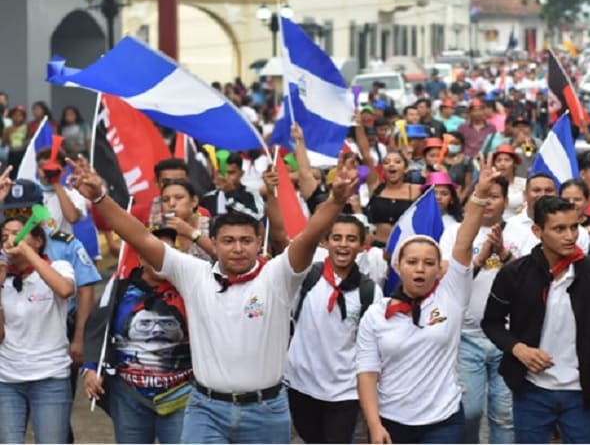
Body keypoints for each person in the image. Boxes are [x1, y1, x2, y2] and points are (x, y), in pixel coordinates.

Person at [69, 154, 360, 443]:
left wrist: (335, 201)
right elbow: (141, 238)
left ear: (259, 243)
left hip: (266, 411)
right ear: (214, 243)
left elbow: (309, 237)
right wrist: (99, 198)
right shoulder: (193, 274)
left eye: (246, 241)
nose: (237, 249)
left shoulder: (277, 276)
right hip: (205, 410)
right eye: (228, 241)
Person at [355, 155, 490, 444]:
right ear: (398, 267)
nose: (420, 269)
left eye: (429, 263)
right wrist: (374, 425)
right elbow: (367, 373)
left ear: (439, 269)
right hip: (392, 424)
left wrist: (479, 195)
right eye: (412, 262)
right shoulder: (376, 314)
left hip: (443, 423)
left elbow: (464, 242)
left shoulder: (451, 295)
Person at [482, 196, 590, 443]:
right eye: (559, 229)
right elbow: (491, 323)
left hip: (582, 392)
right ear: (538, 231)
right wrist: (519, 349)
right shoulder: (514, 274)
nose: (569, 235)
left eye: (573, 227)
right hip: (531, 391)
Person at [82, 228, 192, 444]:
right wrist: (91, 368)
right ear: (141, 257)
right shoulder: (119, 287)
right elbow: (97, 327)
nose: (163, 258)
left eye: (169, 252)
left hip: (182, 393)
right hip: (129, 395)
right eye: (156, 251)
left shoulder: (190, 286)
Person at [285, 215, 382, 444]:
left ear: (361, 245)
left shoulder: (369, 291)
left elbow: (372, 342)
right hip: (301, 383)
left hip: (345, 389)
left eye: (351, 239)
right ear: (325, 242)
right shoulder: (306, 277)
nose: (343, 244)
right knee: (311, 438)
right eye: (336, 238)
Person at [439, 175, 516, 444]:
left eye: (495, 196)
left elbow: (529, 280)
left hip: (507, 338)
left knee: (505, 415)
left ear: (506, 201)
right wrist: (480, 259)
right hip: (465, 337)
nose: (489, 202)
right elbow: (447, 279)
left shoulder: (519, 231)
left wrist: (504, 255)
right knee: (469, 411)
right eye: (484, 195)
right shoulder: (454, 233)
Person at [0, 215, 76, 444]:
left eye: (18, 234)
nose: (11, 240)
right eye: (4, 236)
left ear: (37, 241)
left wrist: (28, 255)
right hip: (7, 380)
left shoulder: (59, 267)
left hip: (50, 377)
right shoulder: (3, 278)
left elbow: (65, 290)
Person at [364, 150, 419, 248]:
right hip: (377, 247)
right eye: (386, 162)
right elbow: (366, 156)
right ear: (383, 169)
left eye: (397, 162)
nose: (391, 165)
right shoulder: (375, 187)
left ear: (406, 168)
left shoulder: (417, 190)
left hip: (405, 247)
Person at [159, 179, 216, 261]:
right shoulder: (158, 232)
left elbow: (220, 256)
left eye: (178, 198)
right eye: (165, 200)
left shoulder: (211, 225)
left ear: (194, 201)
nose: (171, 204)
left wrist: (189, 231)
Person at [505, 173, 558, 257]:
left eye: (548, 191)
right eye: (537, 190)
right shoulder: (507, 226)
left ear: (557, 194)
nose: (542, 195)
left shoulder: (572, 230)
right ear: (525, 194)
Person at [491, 144, 526, 219]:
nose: (502, 164)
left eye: (507, 160)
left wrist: (526, 209)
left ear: (514, 163)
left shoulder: (525, 183)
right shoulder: (489, 184)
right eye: (499, 160)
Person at [559, 179, 590, 251]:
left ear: (587, 201)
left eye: (577, 199)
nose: (571, 203)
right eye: (566, 200)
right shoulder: (550, 227)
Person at [3, 105, 28, 177]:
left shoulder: (26, 127)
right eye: (15, 115)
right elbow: (4, 143)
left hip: (22, 152)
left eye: (20, 115)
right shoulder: (8, 128)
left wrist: (25, 143)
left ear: (23, 117)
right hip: (12, 153)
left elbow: (29, 139)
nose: (17, 117)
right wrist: (7, 134)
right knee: (12, 171)